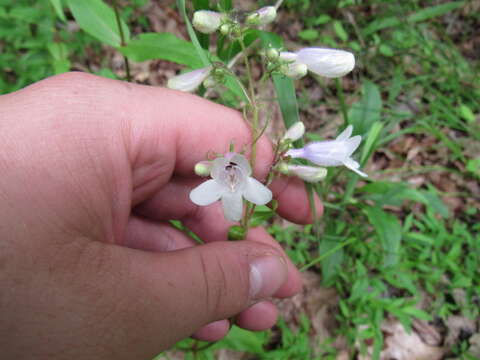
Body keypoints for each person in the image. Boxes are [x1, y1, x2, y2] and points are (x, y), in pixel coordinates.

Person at [0, 72, 321, 360]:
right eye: (226, 168)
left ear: (244, 169)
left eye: (237, 168)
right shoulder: (224, 182)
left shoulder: (250, 186)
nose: (233, 172)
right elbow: (209, 189)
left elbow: (252, 189)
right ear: (219, 168)